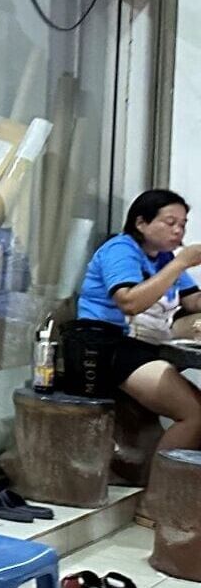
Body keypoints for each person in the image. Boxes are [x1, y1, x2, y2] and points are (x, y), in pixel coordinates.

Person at [63, 189, 201, 459]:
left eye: (183, 225)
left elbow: (193, 301)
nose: (178, 231)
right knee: (195, 414)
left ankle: (158, 475)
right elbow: (129, 302)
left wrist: (177, 264)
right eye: (170, 222)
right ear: (141, 223)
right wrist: (181, 263)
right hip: (106, 345)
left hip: (143, 345)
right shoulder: (121, 249)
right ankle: (161, 483)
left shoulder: (165, 258)